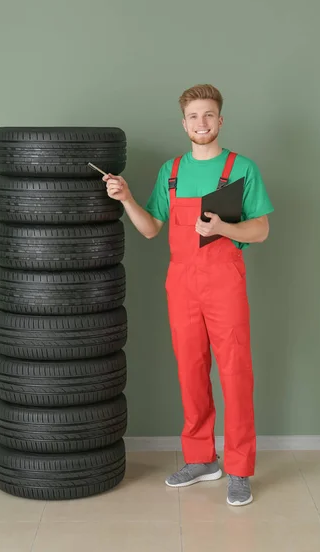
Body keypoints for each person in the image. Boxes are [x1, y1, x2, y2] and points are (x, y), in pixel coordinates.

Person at [103, 84, 274, 506]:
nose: (202, 122)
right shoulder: (171, 171)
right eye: (194, 116)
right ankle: (202, 459)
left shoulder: (241, 168)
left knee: (235, 373)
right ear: (184, 123)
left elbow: (261, 230)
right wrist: (126, 198)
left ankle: (238, 468)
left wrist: (222, 229)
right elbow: (150, 228)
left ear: (221, 120)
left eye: (209, 115)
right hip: (181, 284)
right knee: (190, 371)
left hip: (225, 282)